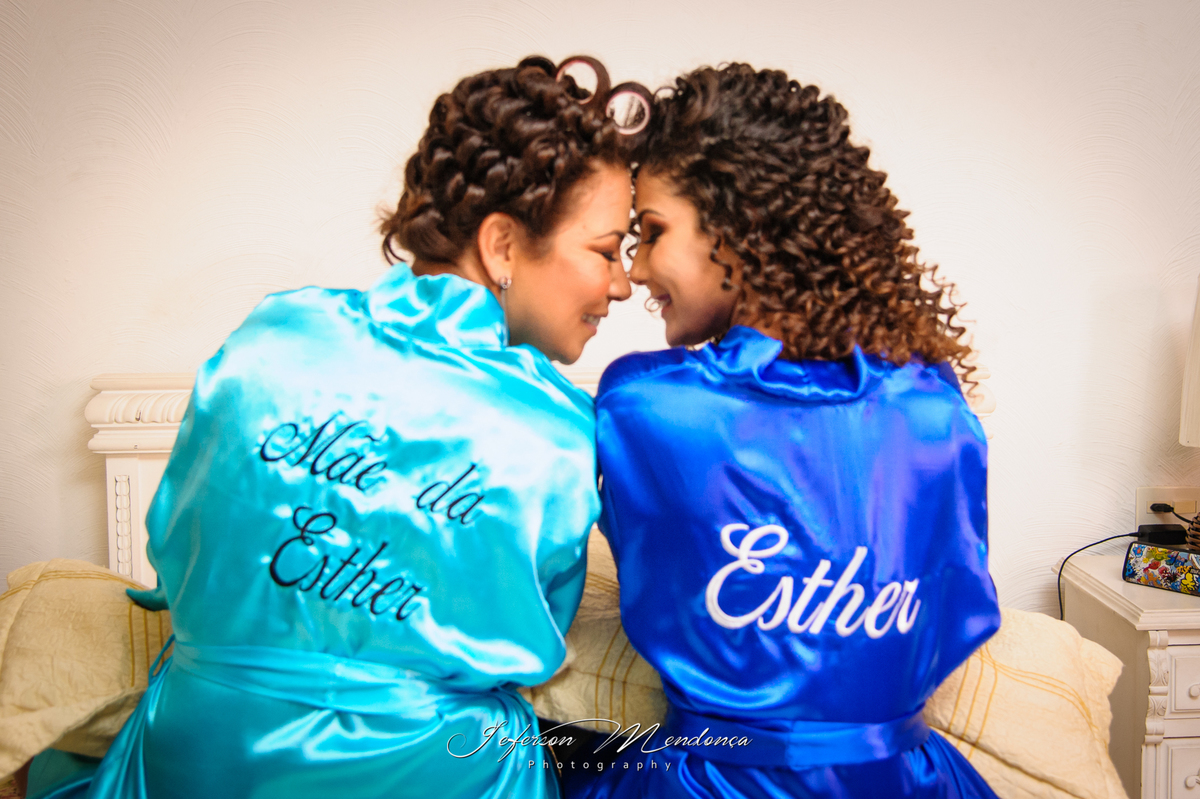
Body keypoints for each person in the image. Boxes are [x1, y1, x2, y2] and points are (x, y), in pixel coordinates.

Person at [29, 55, 636, 799]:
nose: (622, 282)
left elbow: (177, 546)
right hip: (434, 768)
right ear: (503, 244)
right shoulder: (556, 429)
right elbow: (528, 637)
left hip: (202, 750)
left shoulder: (274, 336)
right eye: (606, 250)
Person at [568, 64, 1002, 799]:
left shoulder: (650, 407)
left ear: (737, 231)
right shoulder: (934, 412)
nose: (635, 269)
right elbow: (960, 605)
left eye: (653, 232)